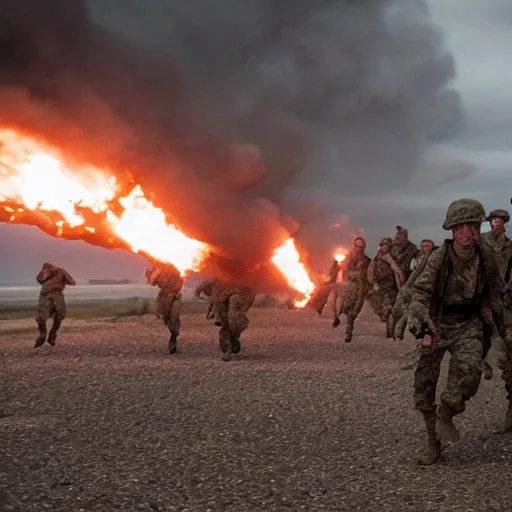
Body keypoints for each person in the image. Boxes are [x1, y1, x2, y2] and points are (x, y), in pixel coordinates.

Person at [407, 198, 512, 465]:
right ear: (452, 230)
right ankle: (433, 441)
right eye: (461, 227)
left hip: (468, 323)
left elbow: (496, 297)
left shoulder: (486, 257)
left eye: (473, 226)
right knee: (424, 388)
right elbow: (419, 292)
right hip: (437, 323)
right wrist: (419, 317)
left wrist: (505, 329)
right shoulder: (439, 258)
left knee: (470, 374)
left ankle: (448, 411)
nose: (468, 233)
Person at [481, 209, 512, 429]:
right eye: (493, 220)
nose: (496, 223)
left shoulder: (510, 247)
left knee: (508, 353)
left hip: (505, 302)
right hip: (482, 299)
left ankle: (511, 403)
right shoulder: (480, 244)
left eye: (500, 220)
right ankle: (480, 361)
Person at [332, 237, 371, 343]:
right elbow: (344, 270)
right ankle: (337, 318)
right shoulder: (349, 258)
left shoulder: (367, 260)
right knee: (340, 305)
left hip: (360, 288)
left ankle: (349, 332)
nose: (360, 248)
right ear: (355, 246)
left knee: (353, 312)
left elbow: (370, 273)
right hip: (349, 286)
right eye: (358, 246)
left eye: (362, 246)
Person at [367, 237, 404, 337]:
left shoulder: (394, 258)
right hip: (379, 286)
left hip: (392, 287)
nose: (385, 247)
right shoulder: (376, 259)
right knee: (374, 301)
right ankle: (382, 315)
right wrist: (374, 283)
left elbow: (399, 272)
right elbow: (370, 273)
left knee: (391, 307)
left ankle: (391, 330)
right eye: (383, 245)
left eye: (387, 245)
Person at [146, 261, 184, 354]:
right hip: (164, 297)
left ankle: (173, 338)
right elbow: (152, 282)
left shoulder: (178, 267)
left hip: (176, 296)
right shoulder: (159, 269)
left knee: (175, 317)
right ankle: (173, 333)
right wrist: (156, 271)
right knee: (167, 318)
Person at [212, 281, 255, 362]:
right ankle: (230, 341)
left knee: (234, 315)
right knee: (225, 320)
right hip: (224, 289)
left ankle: (232, 339)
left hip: (241, 290)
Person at [35, 262, 76, 347]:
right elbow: (39, 280)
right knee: (41, 318)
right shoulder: (44, 273)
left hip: (57, 295)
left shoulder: (61, 271)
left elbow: (72, 282)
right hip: (45, 295)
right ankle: (43, 335)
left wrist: (61, 281)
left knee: (59, 315)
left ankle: (52, 335)